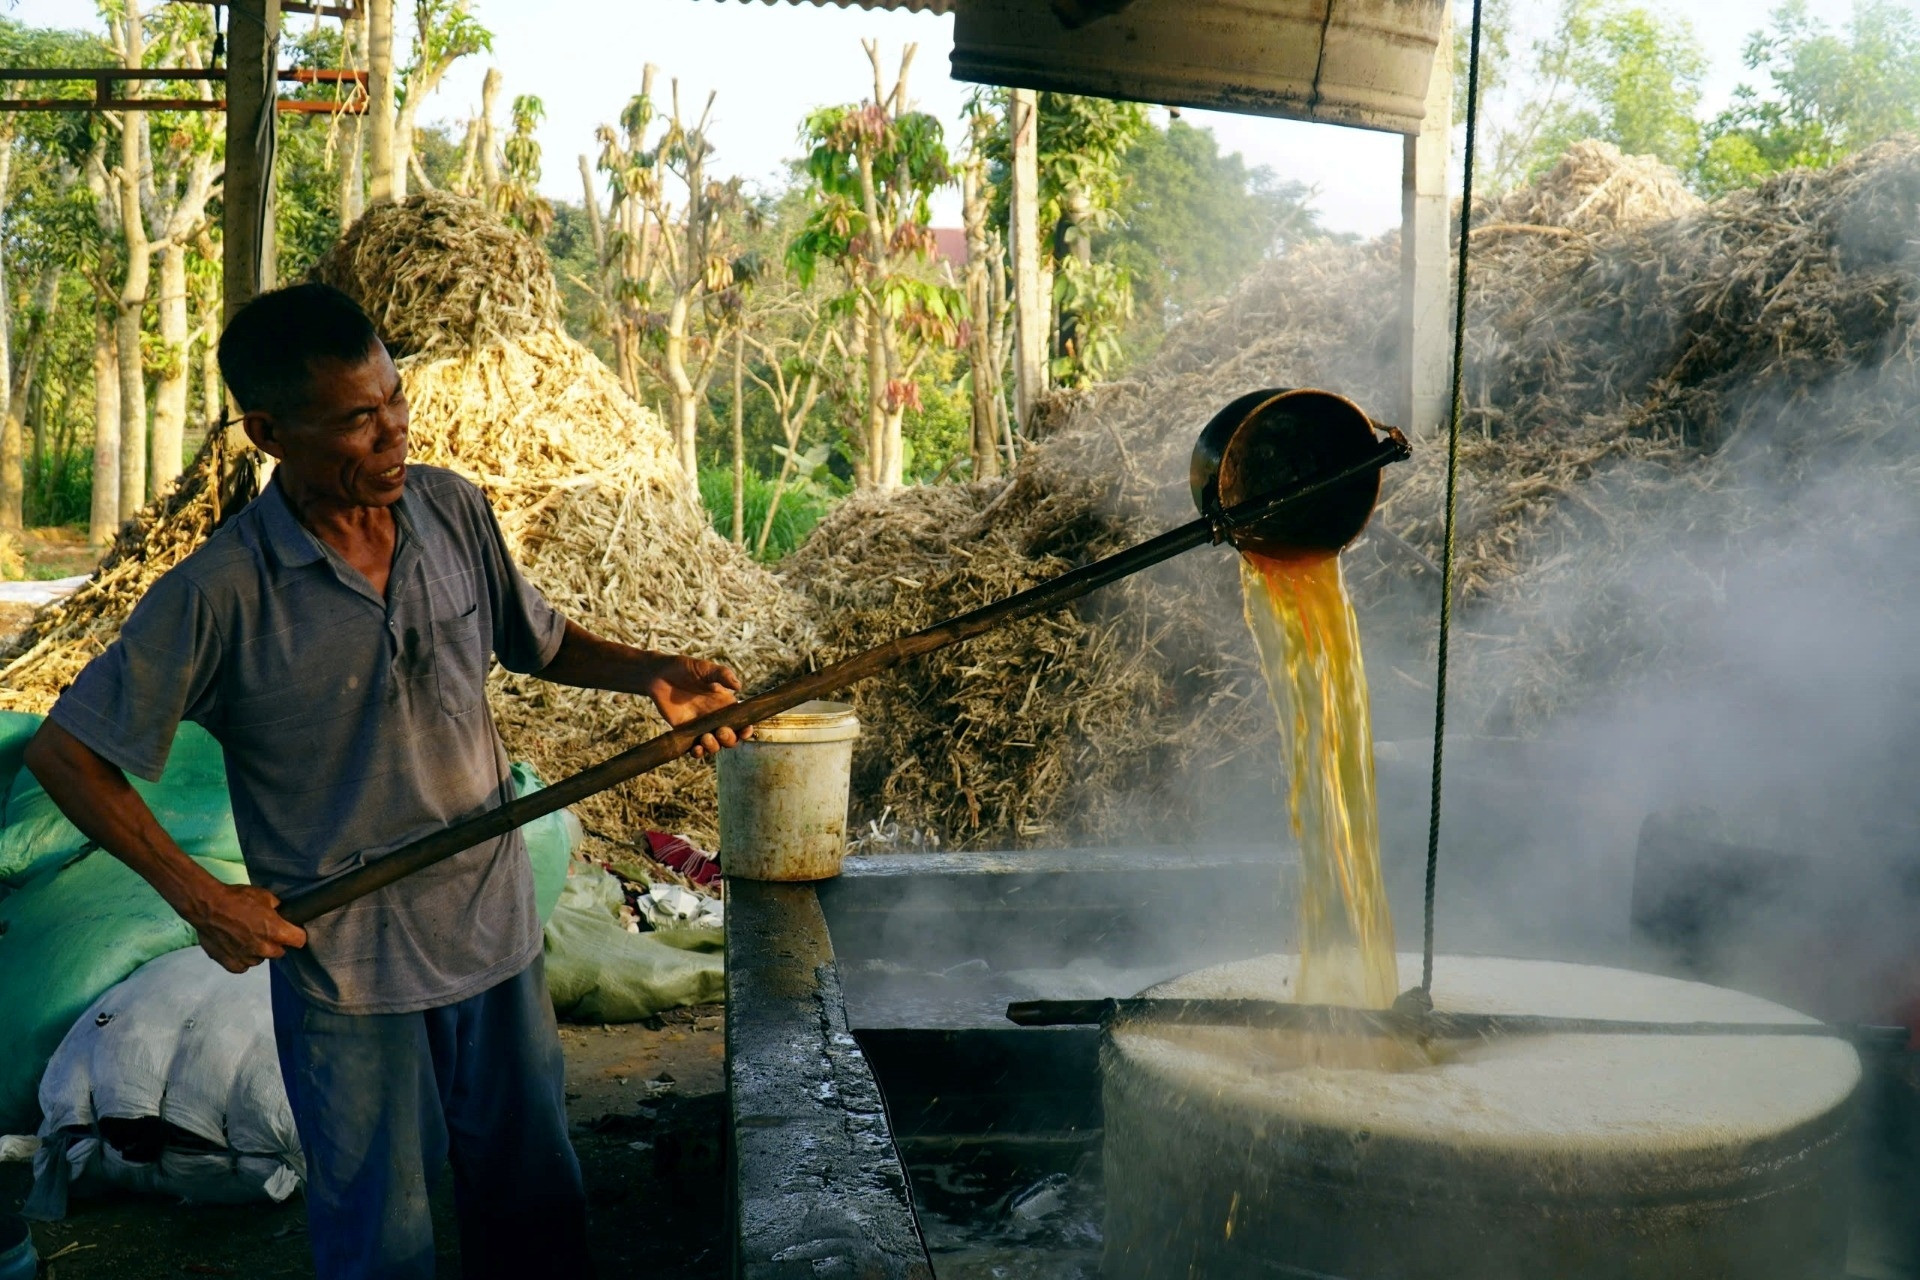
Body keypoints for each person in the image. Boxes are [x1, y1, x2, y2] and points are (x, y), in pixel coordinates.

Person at [22, 282, 749, 1280]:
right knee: (381, 1235)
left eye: (394, 399)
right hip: (347, 962)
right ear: (270, 431)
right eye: (358, 420)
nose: (394, 431)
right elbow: (65, 752)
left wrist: (648, 670)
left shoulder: (451, 508)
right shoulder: (219, 593)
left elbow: (532, 637)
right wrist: (204, 899)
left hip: (489, 926)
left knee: (534, 1198)